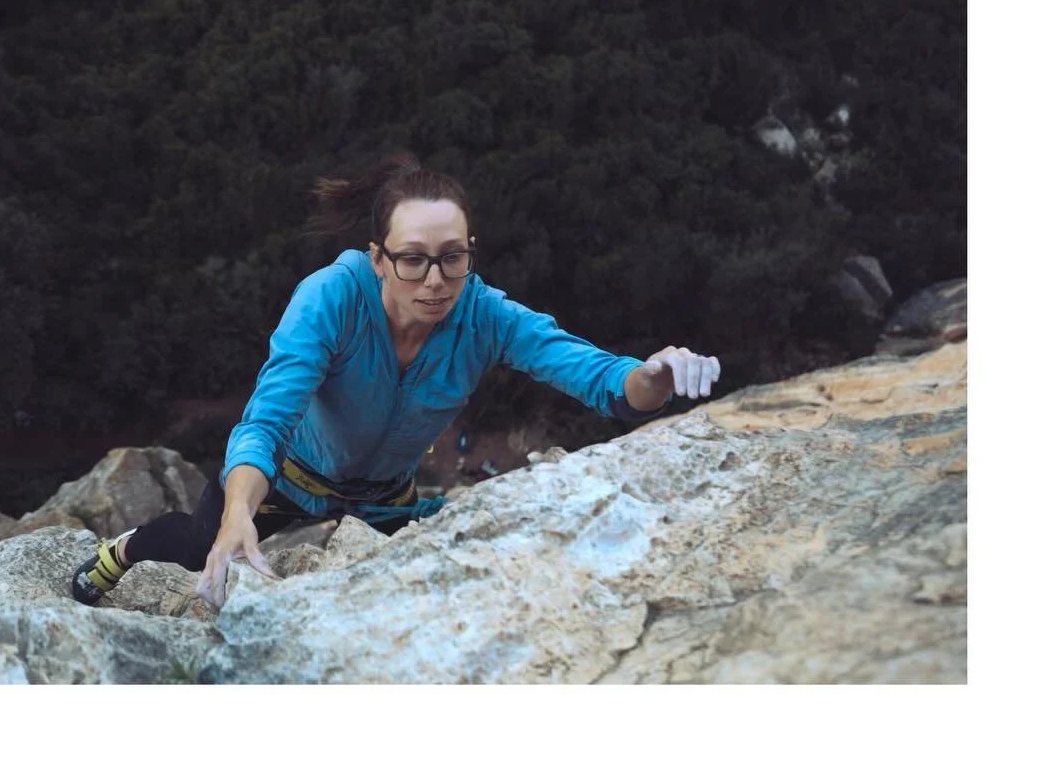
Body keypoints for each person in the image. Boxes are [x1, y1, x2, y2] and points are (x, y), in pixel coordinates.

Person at [71, 153, 721, 610]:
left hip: (385, 498)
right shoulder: (331, 299)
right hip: (289, 479)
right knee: (198, 544)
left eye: (453, 258)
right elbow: (265, 421)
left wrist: (654, 375)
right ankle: (120, 552)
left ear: (469, 252)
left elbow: (604, 381)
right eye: (413, 259)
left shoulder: (484, 315)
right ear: (379, 259)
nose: (435, 281)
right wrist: (237, 514)